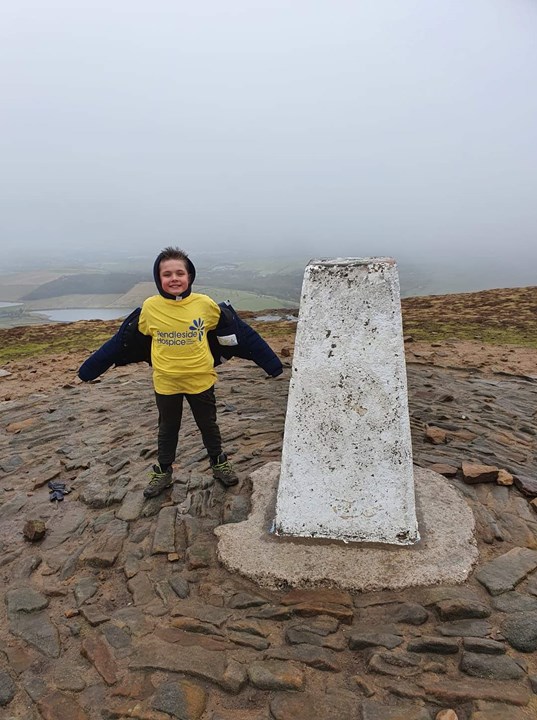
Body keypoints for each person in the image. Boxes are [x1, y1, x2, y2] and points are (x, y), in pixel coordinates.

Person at [139, 246, 239, 498]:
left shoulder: (204, 304)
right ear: (158, 278)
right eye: (167, 274)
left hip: (201, 379)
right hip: (166, 381)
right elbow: (142, 332)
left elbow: (221, 326)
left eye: (180, 273)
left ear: (190, 276)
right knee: (167, 428)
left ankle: (218, 463)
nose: (174, 279)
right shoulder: (150, 307)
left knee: (208, 425)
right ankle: (163, 471)